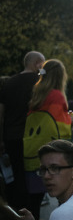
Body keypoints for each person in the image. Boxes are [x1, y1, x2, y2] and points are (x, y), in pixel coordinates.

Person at [23, 59, 73, 220]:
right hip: (51, 152)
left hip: (32, 150)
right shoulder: (57, 96)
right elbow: (60, 127)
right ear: (60, 76)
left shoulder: (38, 94)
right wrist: (72, 120)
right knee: (63, 194)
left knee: (34, 201)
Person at [0, 51, 45, 211]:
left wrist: (1, 140)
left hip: (12, 137)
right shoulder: (41, 83)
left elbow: (2, 115)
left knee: (16, 179)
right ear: (37, 64)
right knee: (35, 178)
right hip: (35, 138)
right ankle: (33, 217)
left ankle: (16, 213)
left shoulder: (9, 83)